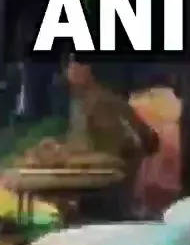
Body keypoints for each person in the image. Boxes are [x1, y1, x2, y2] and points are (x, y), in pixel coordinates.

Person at [64, 57, 160, 220]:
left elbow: (145, 141)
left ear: (88, 70)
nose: (70, 71)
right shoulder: (80, 103)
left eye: (77, 65)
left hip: (110, 194)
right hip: (95, 193)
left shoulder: (104, 103)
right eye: (69, 66)